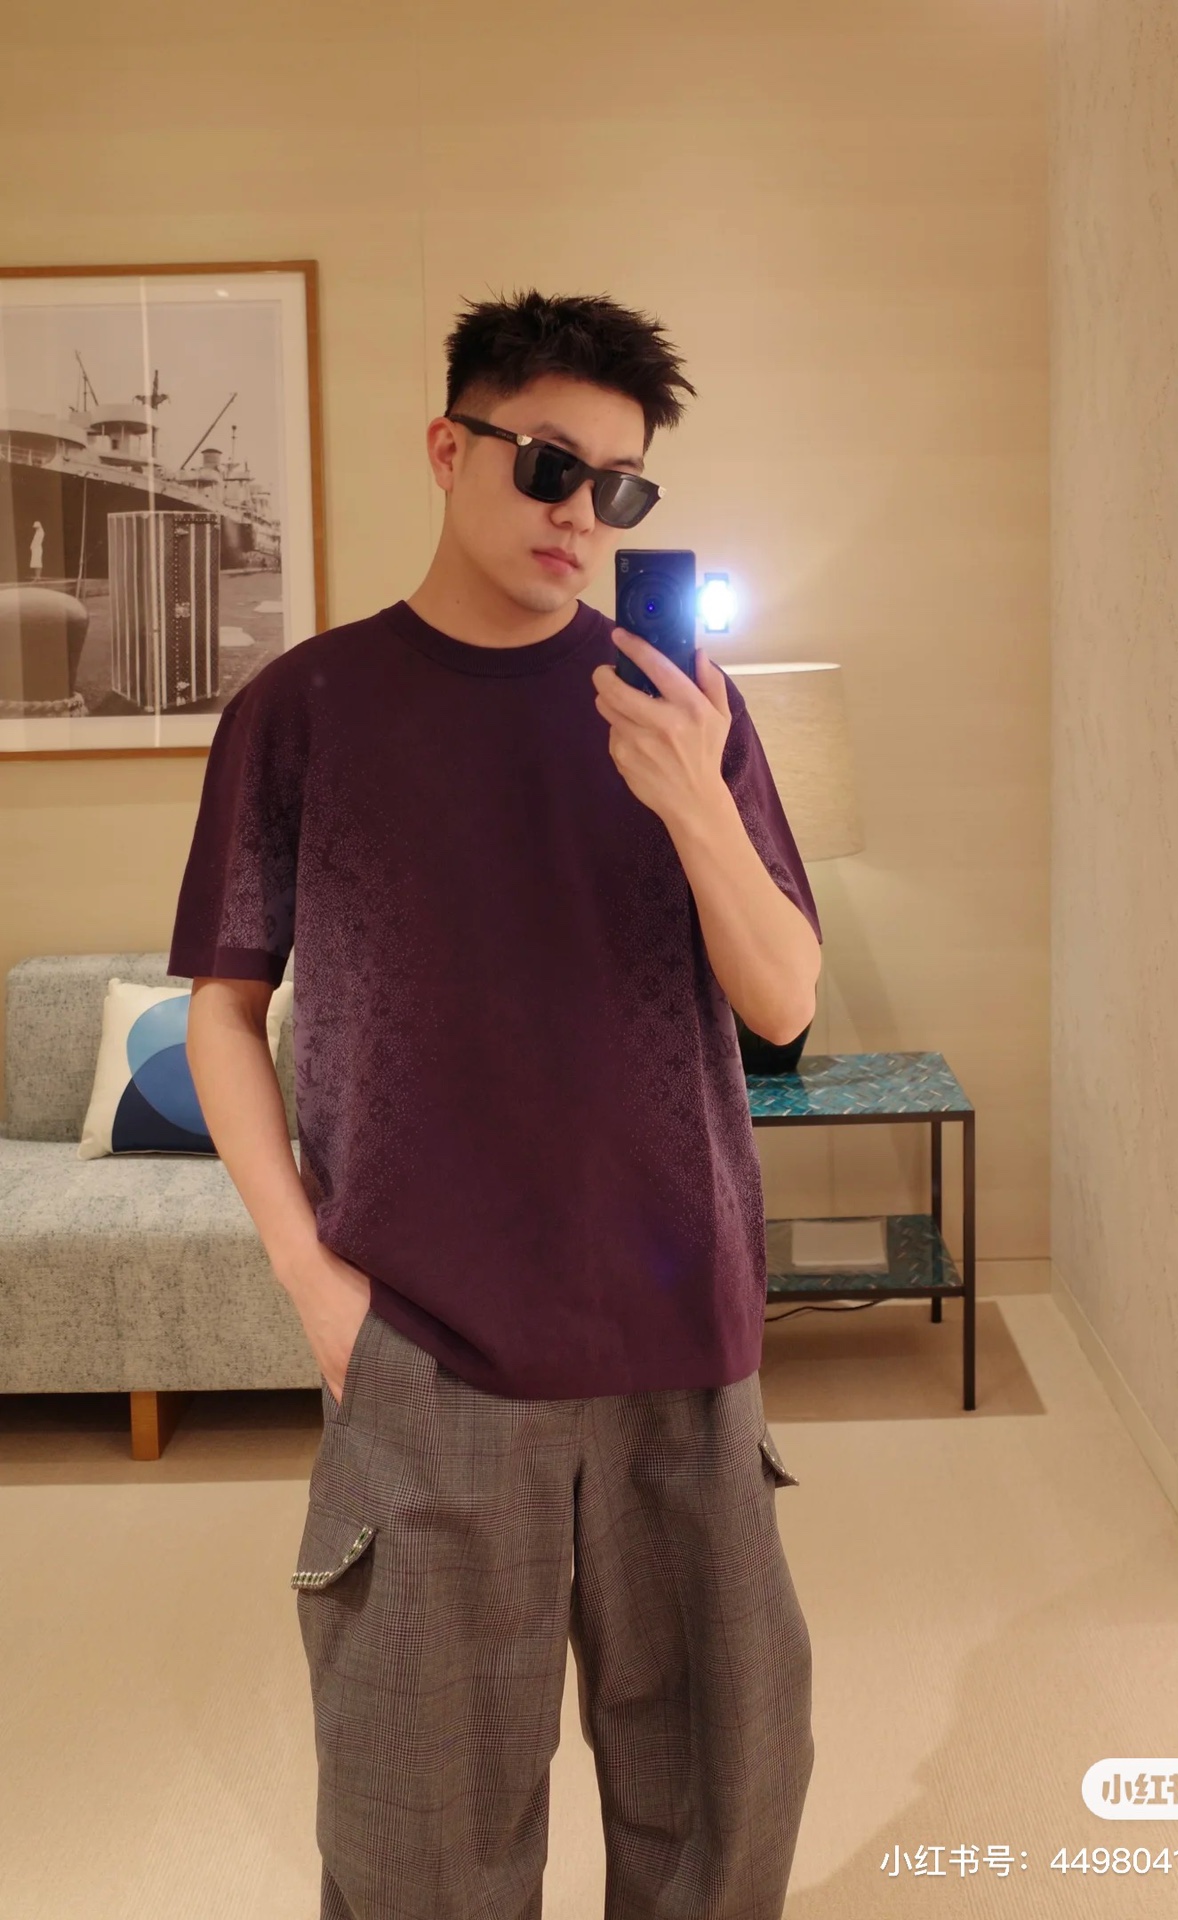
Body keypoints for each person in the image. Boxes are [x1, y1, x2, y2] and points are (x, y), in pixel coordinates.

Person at [170, 288, 821, 1920]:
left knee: (720, 1825)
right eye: (547, 465)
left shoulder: (685, 709)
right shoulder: (306, 709)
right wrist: (313, 1283)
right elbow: (224, 1010)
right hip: (427, 1345)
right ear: (446, 448)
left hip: (684, 1336)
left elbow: (785, 1004)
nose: (580, 515)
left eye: (621, 488)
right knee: (421, 1849)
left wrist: (695, 802)